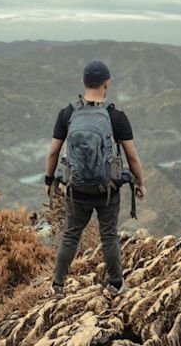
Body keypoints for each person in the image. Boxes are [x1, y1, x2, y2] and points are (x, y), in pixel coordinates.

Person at [45, 61, 146, 297]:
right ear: (106, 83)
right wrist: (140, 183)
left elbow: (53, 152)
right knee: (109, 235)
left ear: (83, 82)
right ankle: (116, 284)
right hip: (106, 190)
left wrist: (50, 181)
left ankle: (57, 285)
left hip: (77, 189)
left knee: (71, 235)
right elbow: (132, 156)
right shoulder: (116, 115)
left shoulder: (67, 113)